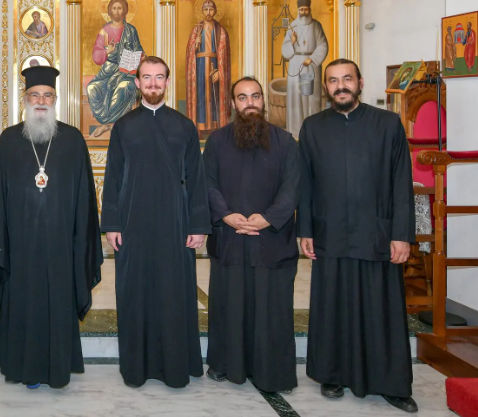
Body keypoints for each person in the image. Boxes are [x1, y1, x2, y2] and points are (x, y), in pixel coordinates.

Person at [298, 59, 417, 413]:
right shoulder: (313, 127)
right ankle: (332, 374)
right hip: (330, 232)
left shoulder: (388, 124)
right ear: (326, 87)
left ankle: (392, 383)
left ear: (360, 82)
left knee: (383, 308)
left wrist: (401, 234)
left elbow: (401, 184)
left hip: (376, 233)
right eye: (333, 81)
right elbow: (305, 184)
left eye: (346, 79)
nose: (340, 86)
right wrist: (304, 229)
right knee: (333, 304)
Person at [0, 66, 102, 389]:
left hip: (61, 244)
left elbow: (85, 198)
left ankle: (59, 367)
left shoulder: (73, 140)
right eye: (35, 95)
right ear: (26, 99)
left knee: (58, 302)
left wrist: (81, 243)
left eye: (47, 95)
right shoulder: (9, 139)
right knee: (23, 303)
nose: (41, 101)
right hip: (18, 246)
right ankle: (22, 367)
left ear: (56, 99)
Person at [102, 56, 210, 388]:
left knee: (174, 293)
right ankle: (136, 367)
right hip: (133, 223)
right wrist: (111, 224)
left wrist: (198, 226)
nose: (152, 84)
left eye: (159, 77)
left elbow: (196, 180)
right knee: (135, 292)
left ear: (167, 82)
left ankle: (175, 367)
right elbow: (113, 178)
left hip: (175, 223)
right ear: (137, 83)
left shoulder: (184, 126)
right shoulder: (123, 126)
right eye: (146, 78)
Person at [203, 77, 300, 394]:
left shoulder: (285, 141)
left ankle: (271, 370)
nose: (250, 103)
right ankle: (225, 365)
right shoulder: (217, 141)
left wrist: (267, 219)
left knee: (271, 309)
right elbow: (208, 182)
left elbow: (292, 187)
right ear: (233, 103)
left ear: (263, 100)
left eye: (255, 96)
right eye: (242, 97)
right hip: (229, 239)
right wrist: (227, 215)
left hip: (271, 241)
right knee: (229, 306)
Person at [86, 0, 144, 138]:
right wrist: (107, 51)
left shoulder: (130, 30)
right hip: (107, 71)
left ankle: (110, 125)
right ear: (109, 11)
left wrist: (142, 57)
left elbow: (138, 50)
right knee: (92, 88)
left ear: (124, 11)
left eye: (120, 8)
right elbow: (96, 55)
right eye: (114, 8)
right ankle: (109, 124)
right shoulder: (104, 31)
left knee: (124, 87)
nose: (117, 11)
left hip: (126, 71)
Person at [281, 0, 329, 137]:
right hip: (296, 63)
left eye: (306, 9)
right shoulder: (293, 26)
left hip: (312, 64)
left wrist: (312, 58)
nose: (304, 12)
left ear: (309, 9)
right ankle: (295, 132)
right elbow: (285, 51)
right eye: (301, 9)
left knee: (312, 98)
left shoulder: (316, 26)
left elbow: (323, 45)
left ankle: (314, 132)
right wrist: (293, 42)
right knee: (296, 98)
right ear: (298, 10)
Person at [185, 0, 231, 134]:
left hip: (214, 66)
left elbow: (224, 55)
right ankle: (199, 127)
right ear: (202, 11)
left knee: (213, 95)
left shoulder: (220, 30)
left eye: (211, 9)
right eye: (206, 9)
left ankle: (215, 127)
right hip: (199, 68)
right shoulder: (196, 29)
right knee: (200, 95)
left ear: (215, 11)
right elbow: (189, 52)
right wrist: (195, 44)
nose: (208, 12)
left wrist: (220, 73)